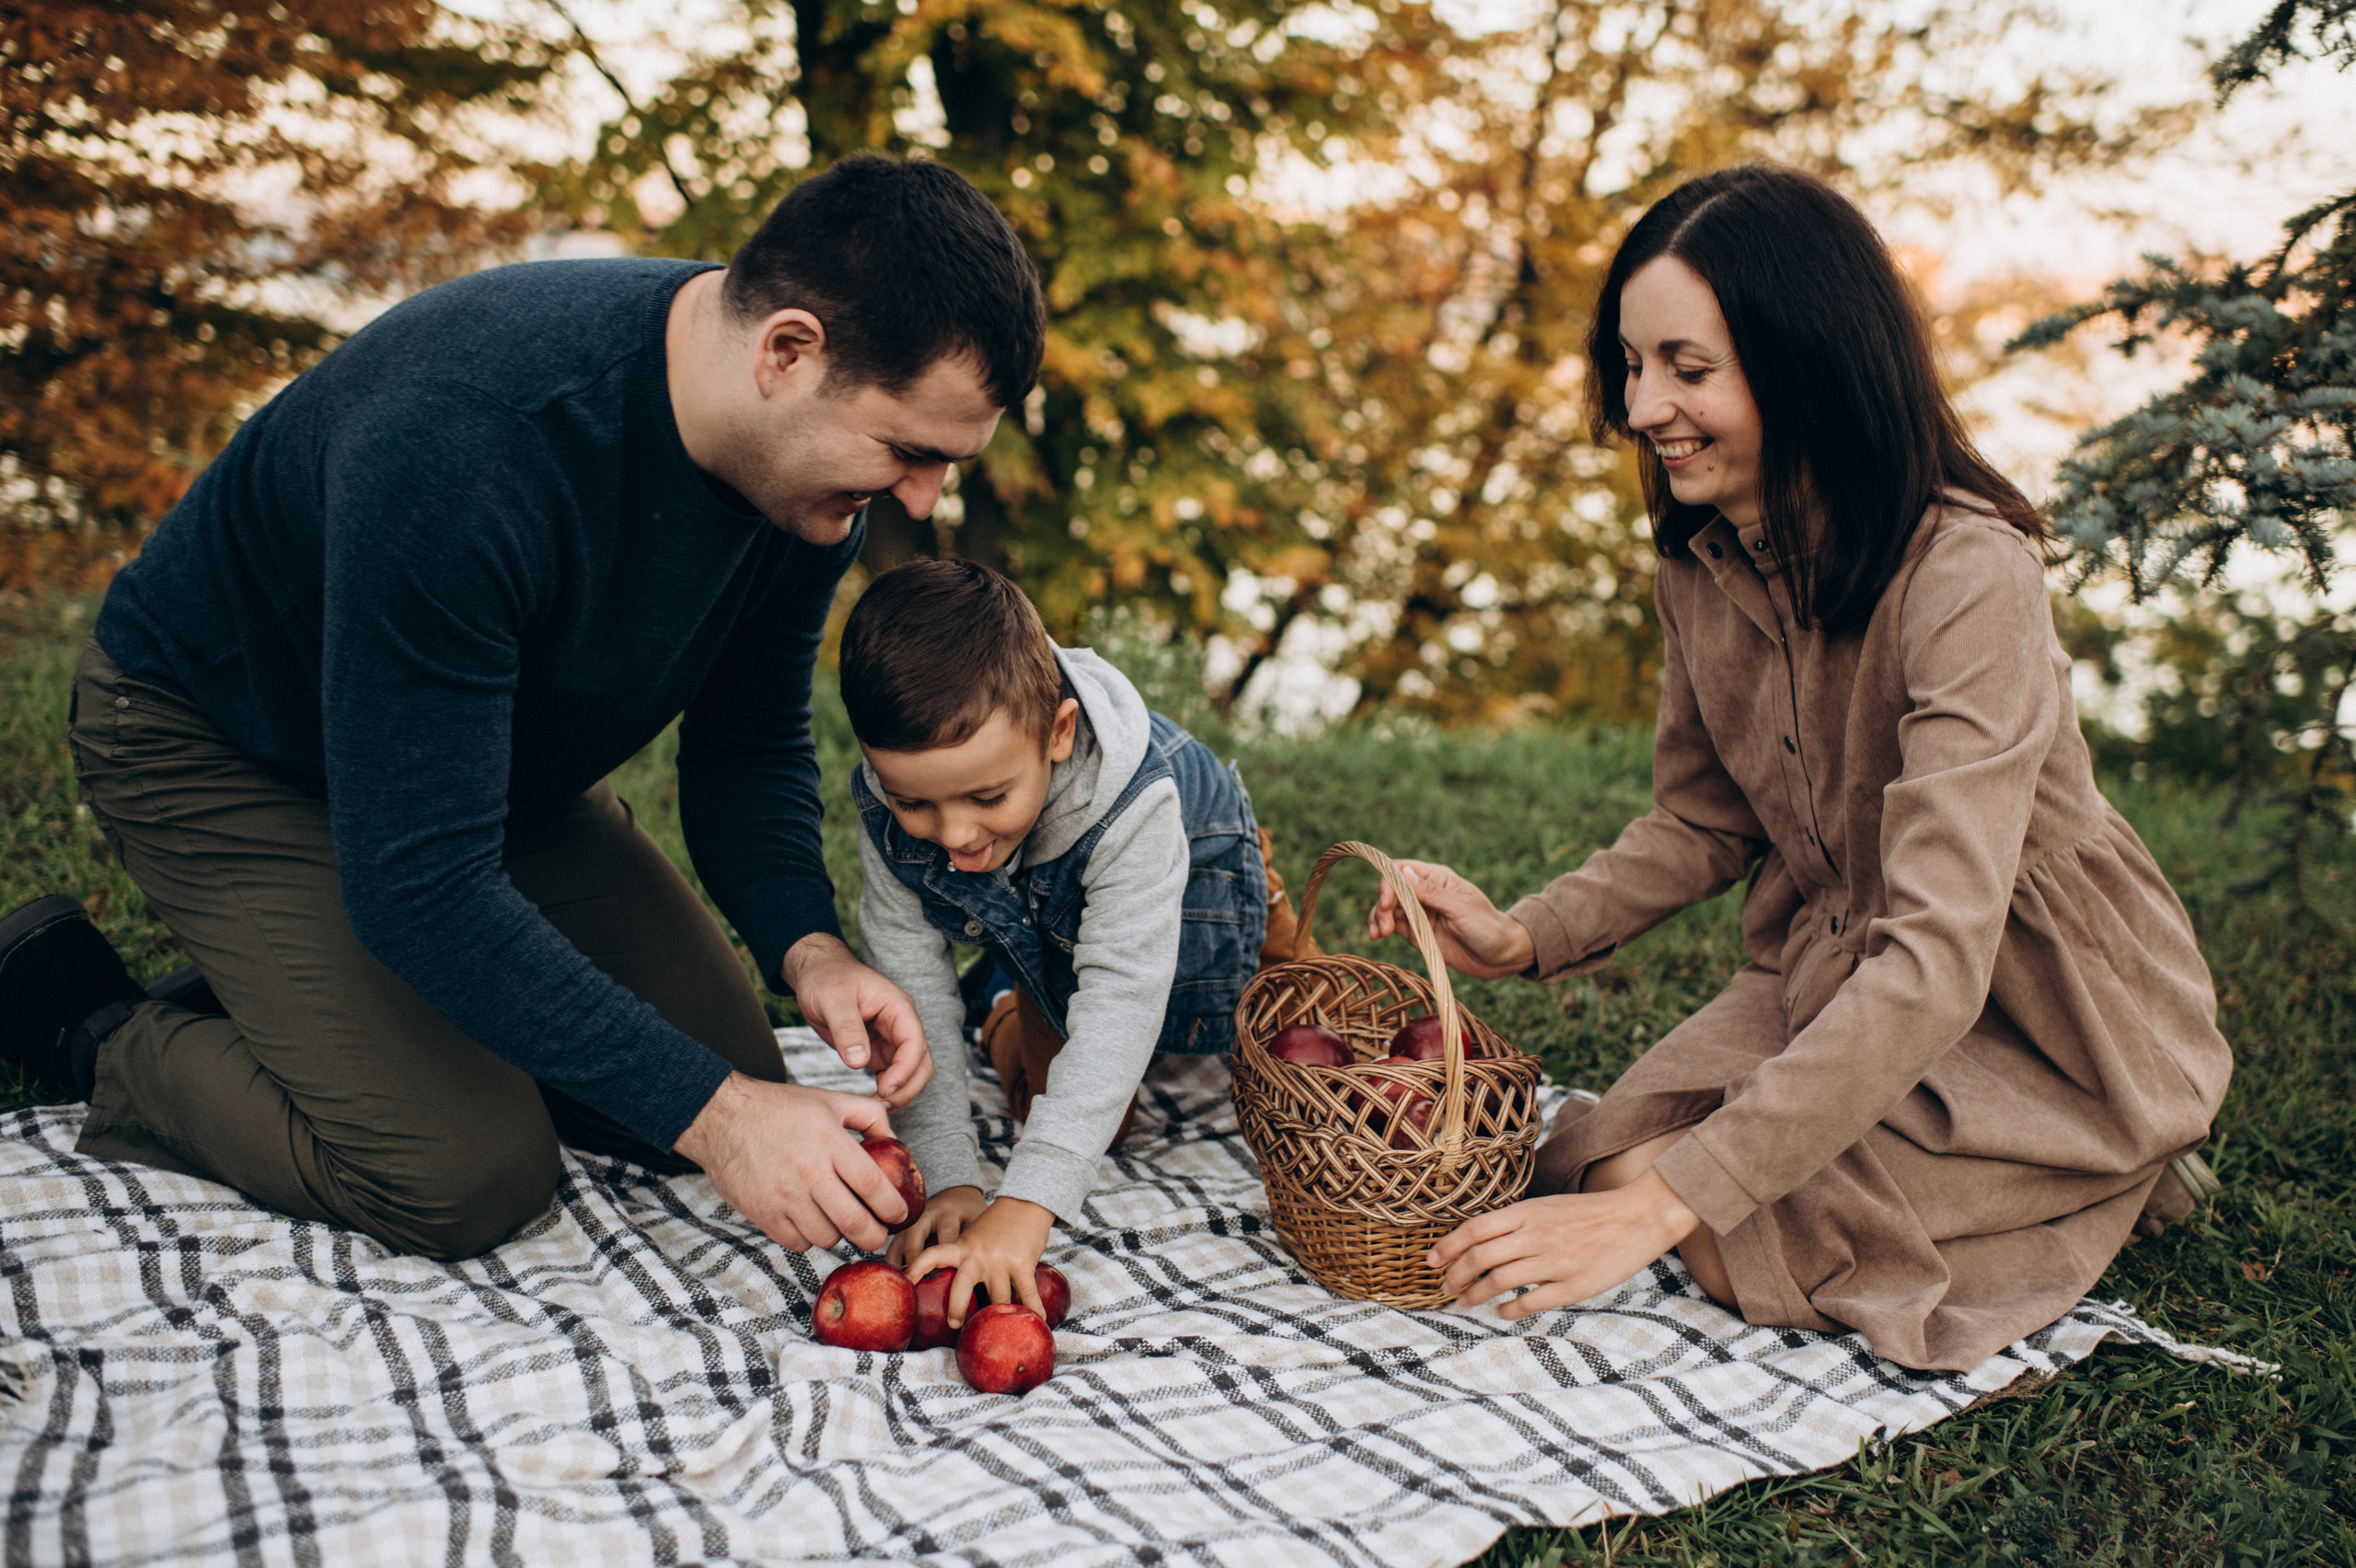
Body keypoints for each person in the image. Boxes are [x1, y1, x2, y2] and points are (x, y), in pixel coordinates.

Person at [0, 153, 1047, 1262]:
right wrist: (725, 1121)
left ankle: (304, 986)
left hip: (494, 770)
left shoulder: (805, 480)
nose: (923, 501)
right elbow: (418, 883)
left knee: (716, 1065)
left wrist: (808, 950)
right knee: (466, 1175)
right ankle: (94, 1025)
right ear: (788, 351)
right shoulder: (466, 443)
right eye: (910, 452)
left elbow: (746, 747)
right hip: (223, 740)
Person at [1367, 164, 2233, 1372]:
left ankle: (2108, 1159)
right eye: (1631, 365)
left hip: (2030, 1009)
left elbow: (1936, 959)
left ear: (1807, 361)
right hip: (1834, 972)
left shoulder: (1967, 573)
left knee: (1730, 1234)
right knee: (1610, 1154)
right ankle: (1969, 1169)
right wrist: (1525, 936)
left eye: (1687, 368)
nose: (1639, 407)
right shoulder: (1702, 565)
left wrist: (1659, 1215)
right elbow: (1706, 823)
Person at [837, 559, 1311, 1324]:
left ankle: (1006, 968)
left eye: (987, 796)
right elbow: (910, 990)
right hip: (1056, 918)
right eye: (913, 801)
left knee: (1297, 1061)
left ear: (1058, 734)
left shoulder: (1129, 803)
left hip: (1205, 896)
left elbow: (1123, 995)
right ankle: (1010, 983)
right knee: (1080, 1116)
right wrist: (953, 1178)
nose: (953, 834)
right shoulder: (897, 814)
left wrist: (1027, 1204)